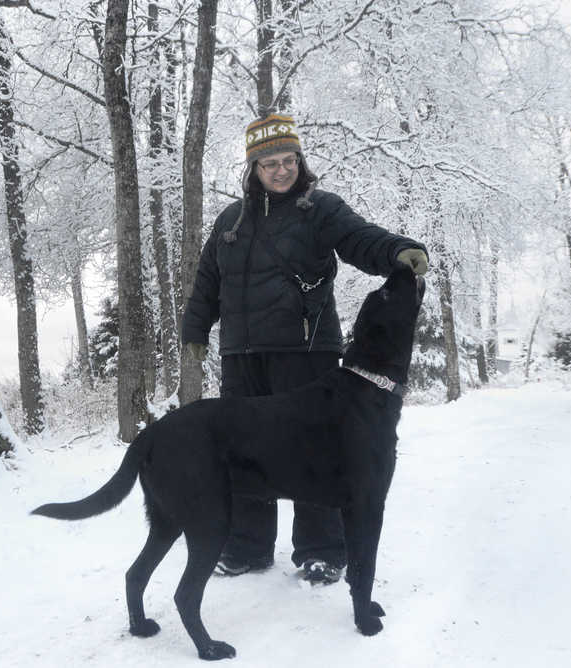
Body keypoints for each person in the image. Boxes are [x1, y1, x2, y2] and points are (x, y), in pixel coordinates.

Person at [181, 114, 429, 585]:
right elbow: (208, 280)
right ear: (253, 168)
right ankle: (247, 547)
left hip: (307, 351)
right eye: (269, 163)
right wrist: (195, 332)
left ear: (300, 160)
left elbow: (361, 238)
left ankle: (320, 550)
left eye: (288, 160)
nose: (281, 170)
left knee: (312, 451)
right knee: (244, 449)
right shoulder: (230, 220)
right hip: (242, 355)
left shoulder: (321, 209)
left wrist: (398, 250)